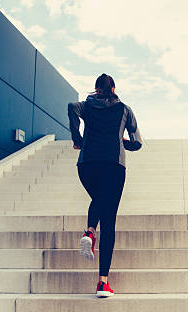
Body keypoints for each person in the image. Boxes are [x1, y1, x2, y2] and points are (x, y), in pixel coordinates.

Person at [68, 73, 143, 298]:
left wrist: (77, 139)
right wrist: (124, 143)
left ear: (96, 89)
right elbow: (138, 142)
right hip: (113, 165)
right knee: (108, 222)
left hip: (87, 165)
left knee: (99, 199)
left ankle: (90, 232)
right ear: (114, 88)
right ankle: (103, 283)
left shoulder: (86, 106)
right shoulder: (125, 110)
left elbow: (72, 106)